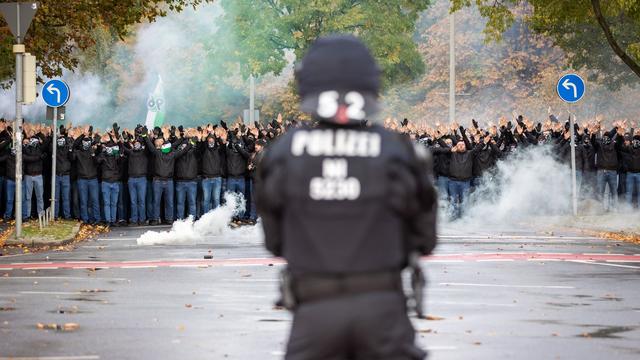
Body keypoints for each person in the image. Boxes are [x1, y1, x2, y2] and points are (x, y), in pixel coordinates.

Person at [256, 35, 437, 360]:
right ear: (371, 84)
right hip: (384, 312)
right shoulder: (398, 150)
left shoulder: (283, 152)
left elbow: (274, 241)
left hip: (313, 312)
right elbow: (425, 239)